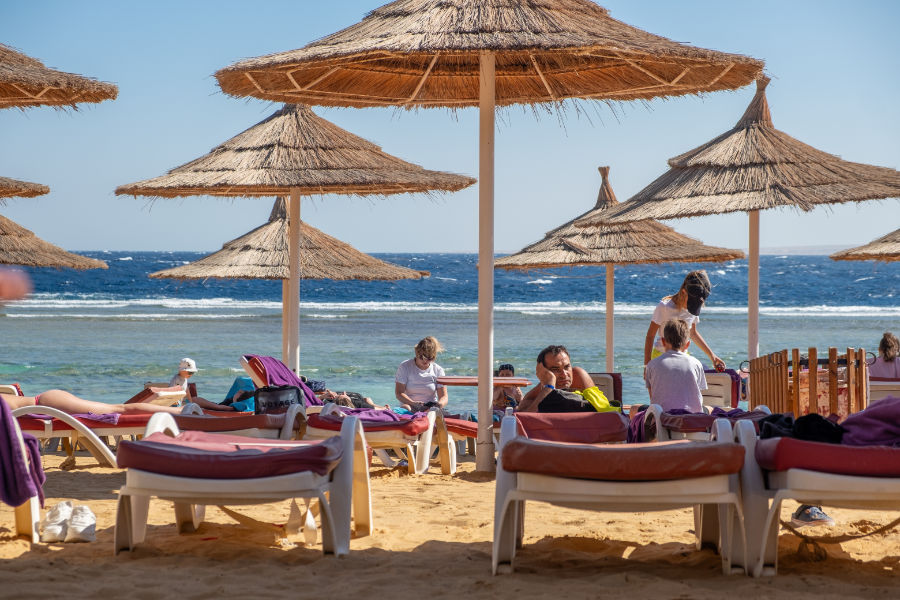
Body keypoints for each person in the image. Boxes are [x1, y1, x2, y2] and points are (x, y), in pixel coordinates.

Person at [644, 270, 725, 371]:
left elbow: (693, 333)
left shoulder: (693, 309)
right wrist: (647, 365)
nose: (692, 307)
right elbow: (650, 336)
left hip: (683, 356)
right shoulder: (664, 307)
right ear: (683, 292)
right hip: (661, 355)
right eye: (691, 303)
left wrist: (712, 356)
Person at [643, 319, 707, 413]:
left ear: (663, 342)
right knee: (709, 409)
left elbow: (653, 398)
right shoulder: (696, 364)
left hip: (663, 419)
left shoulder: (652, 365)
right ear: (687, 344)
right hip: (692, 420)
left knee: (634, 409)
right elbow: (697, 396)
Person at [518, 345, 595, 413]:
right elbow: (524, 416)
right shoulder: (546, 385)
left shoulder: (578, 376)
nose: (564, 375)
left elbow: (599, 411)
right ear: (544, 372)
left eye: (567, 367)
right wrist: (549, 386)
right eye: (555, 369)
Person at [1, 389, 183, 415]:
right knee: (119, 409)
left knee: (119, 409)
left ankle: (180, 412)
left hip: (49, 404)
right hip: (48, 402)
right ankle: (182, 411)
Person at [395, 336, 449, 412]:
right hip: (410, 406)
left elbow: (443, 396)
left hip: (430, 408)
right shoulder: (405, 366)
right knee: (405, 408)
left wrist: (438, 405)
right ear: (417, 353)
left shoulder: (438, 370)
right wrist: (413, 403)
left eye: (429, 358)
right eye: (422, 357)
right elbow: (399, 393)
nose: (425, 361)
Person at [169, 357, 235, 411]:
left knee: (194, 403)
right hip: (175, 402)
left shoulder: (184, 379)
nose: (191, 375)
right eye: (190, 373)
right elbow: (171, 391)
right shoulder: (176, 379)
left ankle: (222, 407)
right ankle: (222, 407)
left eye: (192, 373)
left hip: (181, 401)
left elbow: (186, 390)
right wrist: (174, 401)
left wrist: (190, 400)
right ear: (181, 370)